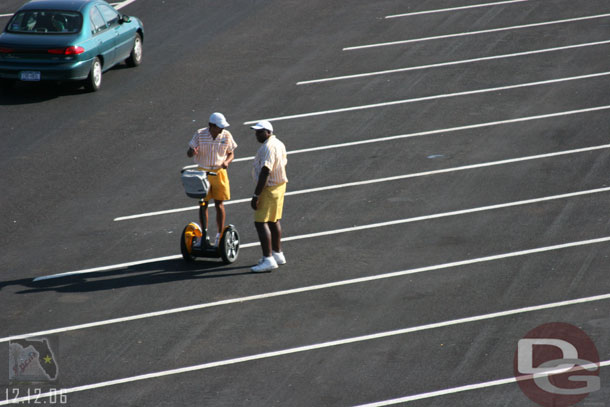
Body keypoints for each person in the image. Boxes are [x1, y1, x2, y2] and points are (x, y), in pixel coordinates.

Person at [187, 112, 237, 246]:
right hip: (202, 172)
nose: (221, 129)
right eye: (219, 127)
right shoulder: (199, 134)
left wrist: (227, 162)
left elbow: (231, 153)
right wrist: (192, 152)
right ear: (211, 125)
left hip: (219, 172)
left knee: (219, 204)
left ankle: (219, 236)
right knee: (203, 204)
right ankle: (203, 235)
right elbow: (189, 152)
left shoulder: (226, 135)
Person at [250, 120, 288, 272]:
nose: (257, 134)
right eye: (256, 131)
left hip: (269, 188)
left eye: (260, 131)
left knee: (260, 222)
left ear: (268, 132)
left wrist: (256, 195)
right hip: (279, 186)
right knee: (274, 220)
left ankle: (268, 259)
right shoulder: (278, 143)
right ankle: (277, 254)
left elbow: (266, 171)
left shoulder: (267, 147)